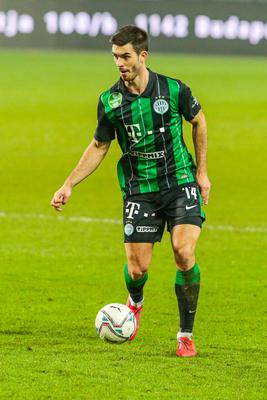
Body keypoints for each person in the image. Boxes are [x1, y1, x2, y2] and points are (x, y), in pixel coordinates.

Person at [51, 25, 211, 357]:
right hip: (140, 190)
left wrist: (202, 172)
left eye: (126, 56)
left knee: (183, 252)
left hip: (180, 182)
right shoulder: (110, 101)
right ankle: (135, 301)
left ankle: (185, 335)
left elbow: (199, 121)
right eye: (115, 57)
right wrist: (68, 183)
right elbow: (99, 145)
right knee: (137, 269)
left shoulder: (172, 89)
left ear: (142, 55)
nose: (120, 63)